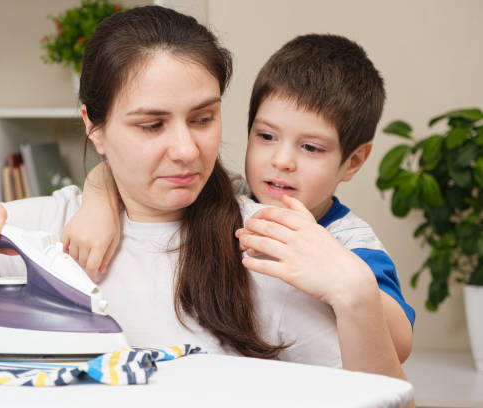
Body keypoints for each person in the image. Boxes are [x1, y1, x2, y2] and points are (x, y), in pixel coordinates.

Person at [0, 6, 406, 381]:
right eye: (152, 125)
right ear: (93, 127)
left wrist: (355, 292)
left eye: (203, 118)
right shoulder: (51, 227)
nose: (187, 151)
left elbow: (386, 391)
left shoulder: (274, 244)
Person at [62, 34, 414, 363]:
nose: (282, 161)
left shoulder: (350, 239)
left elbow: (399, 346)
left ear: (352, 161)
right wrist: (98, 200)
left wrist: (342, 279)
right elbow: (138, 176)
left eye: (310, 147)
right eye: (266, 136)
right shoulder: (232, 194)